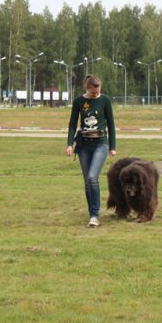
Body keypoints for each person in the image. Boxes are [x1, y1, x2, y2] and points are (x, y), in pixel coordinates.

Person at [66, 75, 116, 227]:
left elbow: (111, 124)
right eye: (93, 92)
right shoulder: (78, 102)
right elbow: (72, 124)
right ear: (87, 89)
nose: (96, 94)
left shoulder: (105, 100)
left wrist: (112, 146)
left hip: (100, 144)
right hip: (84, 146)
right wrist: (69, 144)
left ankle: (95, 215)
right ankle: (92, 214)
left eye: (98, 91)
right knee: (88, 181)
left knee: (93, 177)